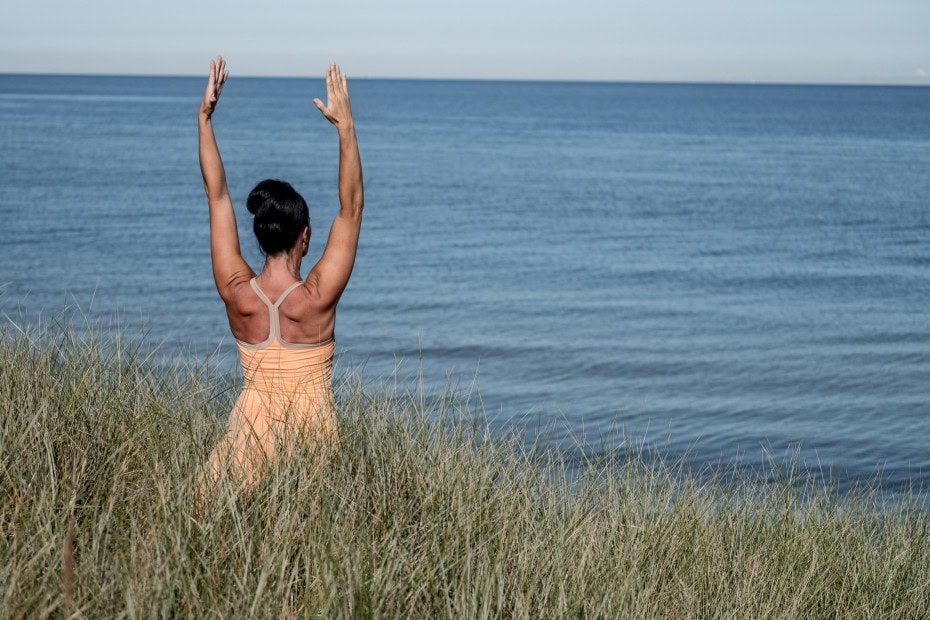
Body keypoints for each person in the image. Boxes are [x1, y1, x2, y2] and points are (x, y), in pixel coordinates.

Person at [198, 57, 363, 488]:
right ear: (304, 237)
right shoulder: (315, 299)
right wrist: (345, 128)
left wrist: (204, 120)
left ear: (259, 235)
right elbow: (352, 208)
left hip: (246, 441)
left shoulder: (237, 293)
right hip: (312, 444)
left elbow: (217, 198)